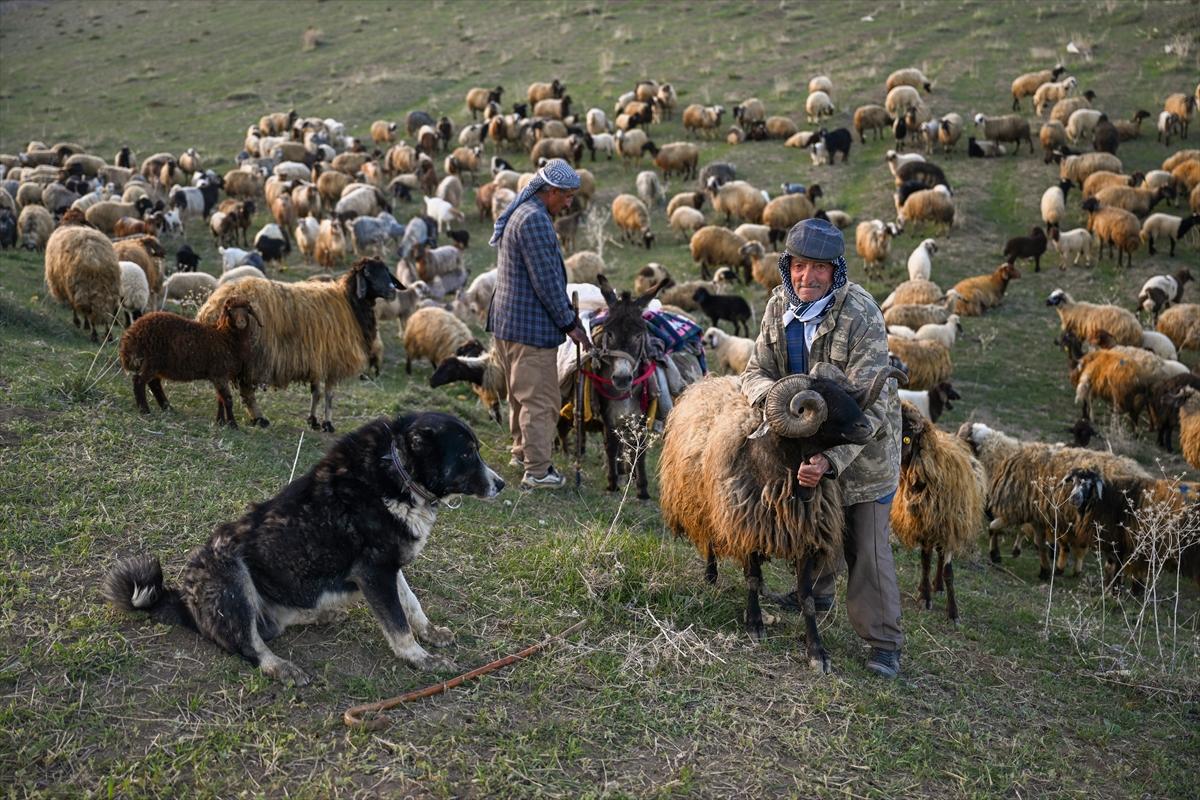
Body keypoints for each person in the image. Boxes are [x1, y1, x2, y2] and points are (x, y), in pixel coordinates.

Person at [740, 217, 905, 678]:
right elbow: (754, 370)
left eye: (819, 269)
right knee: (812, 528)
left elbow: (873, 407)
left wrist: (830, 461)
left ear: (837, 271)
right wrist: (770, 403)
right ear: (786, 267)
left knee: (865, 546)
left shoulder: (861, 315)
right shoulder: (779, 308)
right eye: (798, 266)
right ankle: (814, 592)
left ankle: (883, 641)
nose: (806, 278)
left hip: (860, 454)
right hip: (800, 447)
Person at [487, 159, 592, 490]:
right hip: (529, 327)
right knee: (540, 399)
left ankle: (523, 451)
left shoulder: (524, 212)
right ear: (551, 191)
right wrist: (570, 323)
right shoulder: (535, 221)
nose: (569, 203)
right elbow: (546, 281)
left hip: (510, 323)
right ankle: (538, 471)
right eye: (567, 196)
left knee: (520, 395)